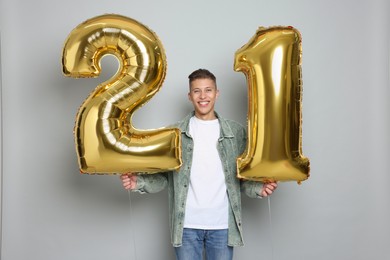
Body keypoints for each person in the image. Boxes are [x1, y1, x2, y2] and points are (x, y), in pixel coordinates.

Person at [120, 68, 277, 260]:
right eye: (197, 91)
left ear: (217, 94)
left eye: (208, 90)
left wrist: (260, 189)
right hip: (186, 227)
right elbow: (165, 177)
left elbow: (242, 177)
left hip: (221, 227)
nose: (203, 96)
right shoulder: (174, 133)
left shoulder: (235, 133)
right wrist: (139, 182)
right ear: (190, 96)